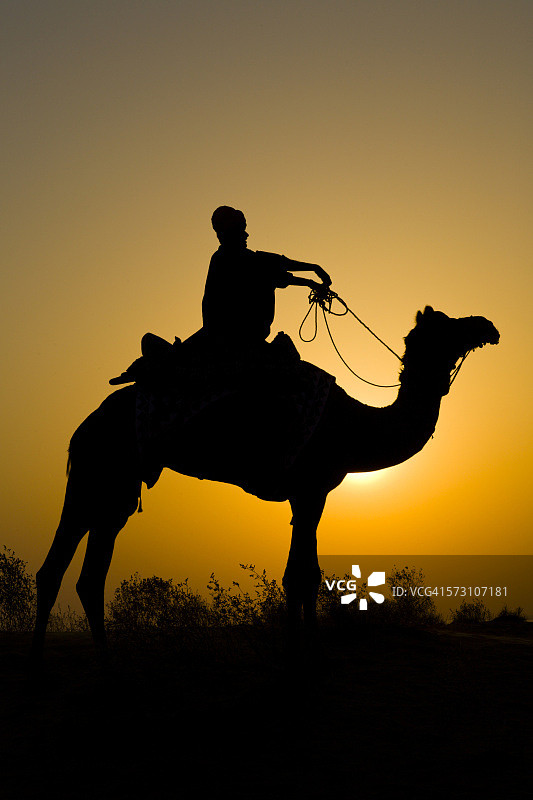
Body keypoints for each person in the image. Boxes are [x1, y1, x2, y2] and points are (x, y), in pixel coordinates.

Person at [199, 205, 331, 349]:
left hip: (234, 334)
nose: (246, 235)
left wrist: (311, 277)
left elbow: (275, 266)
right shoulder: (228, 259)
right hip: (234, 335)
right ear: (229, 233)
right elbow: (273, 268)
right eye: (241, 230)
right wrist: (312, 275)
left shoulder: (238, 258)